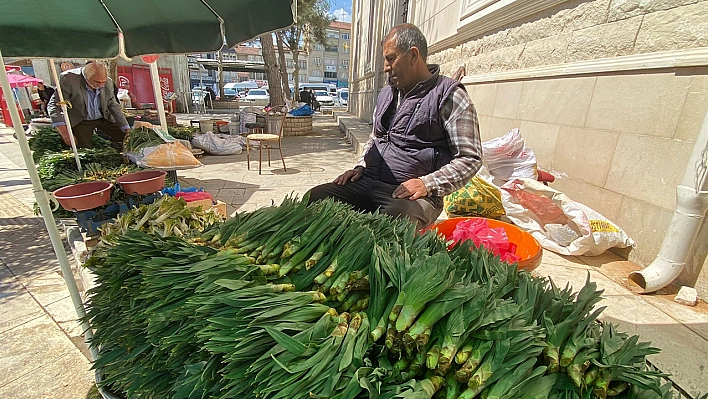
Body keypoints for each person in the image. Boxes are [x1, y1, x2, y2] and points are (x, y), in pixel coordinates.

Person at [307, 23, 482, 228]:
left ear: (413, 55)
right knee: (316, 198)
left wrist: (427, 184)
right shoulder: (387, 93)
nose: (385, 67)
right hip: (369, 181)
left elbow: (470, 157)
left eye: (391, 58)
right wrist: (361, 166)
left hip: (412, 196)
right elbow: (376, 137)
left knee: (394, 222)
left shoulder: (449, 95)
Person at [47, 62, 130, 149]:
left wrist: (126, 127)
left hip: (104, 117)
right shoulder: (68, 79)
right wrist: (64, 132)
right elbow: (55, 104)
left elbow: (113, 105)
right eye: (97, 82)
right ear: (85, 77)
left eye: (103, 82)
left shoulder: (108, 82)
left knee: (126, 138)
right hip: (81, 119)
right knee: (83, 147)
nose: (101, 85)